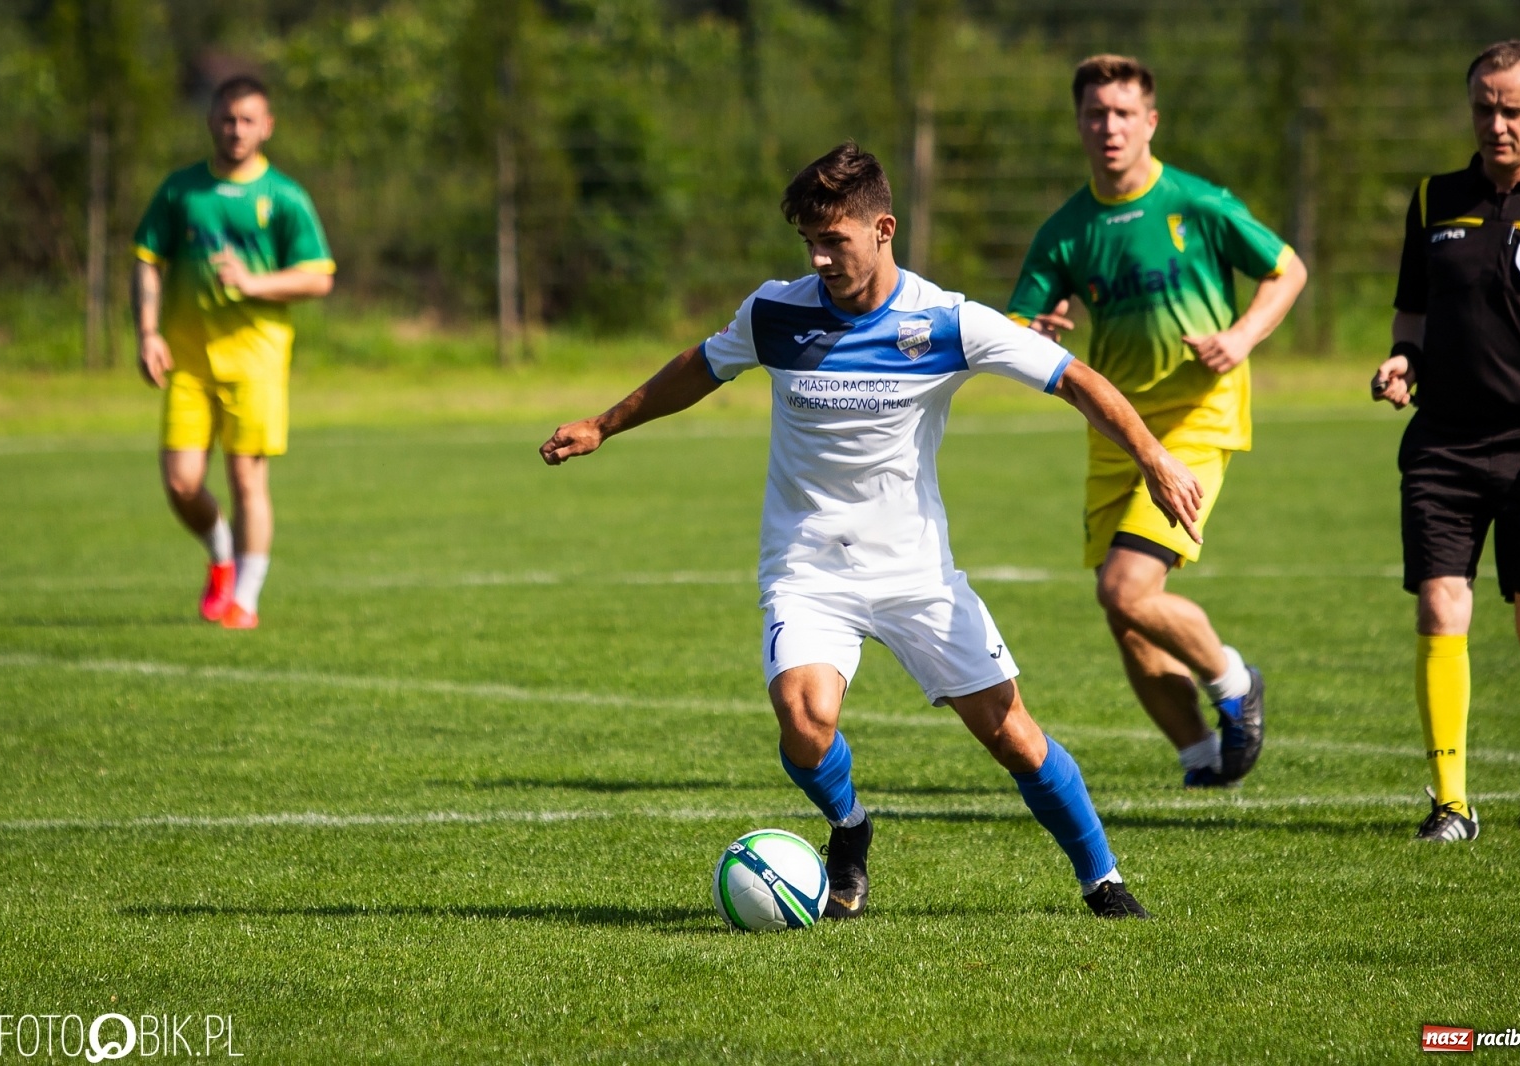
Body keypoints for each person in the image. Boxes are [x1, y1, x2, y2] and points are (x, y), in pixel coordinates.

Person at [541, 143, 1205, 919]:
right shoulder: (774, 313)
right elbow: (697, 367)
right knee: (803, 717)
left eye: (835, 241)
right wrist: (603, 424)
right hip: (808, 567)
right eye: (809, 243)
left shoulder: (948, 321)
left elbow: (1076, 380)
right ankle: (849, 829)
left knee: (1012, 734)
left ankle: (1102, 879)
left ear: (883, 227)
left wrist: (1155, 459)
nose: (820, 258)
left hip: (916, 573)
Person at [1006, 55, 1307, 788]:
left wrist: (1240, 338)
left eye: (1122, 113)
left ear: (1150, 122)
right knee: (1127, 615)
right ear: (1079, 123)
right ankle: (1204, 760)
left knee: (1126, 590)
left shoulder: (1196, 204)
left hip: (1198, 419)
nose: (1108, 127)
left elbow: (1287, 268)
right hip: (1115, 430)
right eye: (1094, 114)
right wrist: (1031, 332)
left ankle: (1235, 682)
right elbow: (1015, 320)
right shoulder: (1067, 229)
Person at [1373, 40, 1520, 840]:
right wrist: (1402, 361)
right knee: (1439, 608)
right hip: (1445, 444)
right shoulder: (1435, 200)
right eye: (1484, 108)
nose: (1496, 123)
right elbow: (1412, 312)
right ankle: (1450, 803)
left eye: (1513, 110)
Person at [131, 75, 334, 630]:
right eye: (227, 118)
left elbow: (318, 279)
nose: (236, 129)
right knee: (181, 483)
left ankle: (244, 599)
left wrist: (254, 283)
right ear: (211, 122)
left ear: (267, 126)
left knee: (248, 480)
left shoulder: (285, 196)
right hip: (189, 361)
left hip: (257, 360)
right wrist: (148, 331)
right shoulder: (180, 191)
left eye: (248, 120)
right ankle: (220, 552)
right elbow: (147, 258)